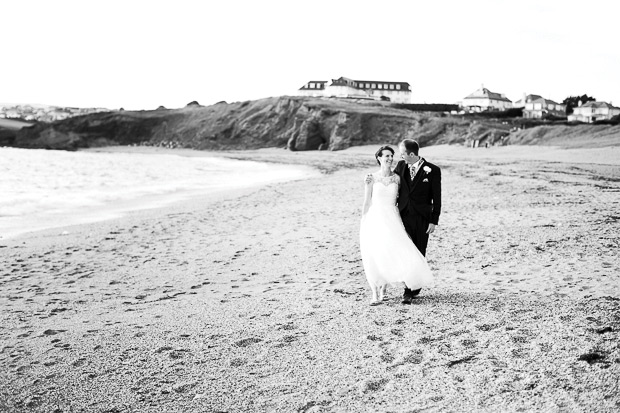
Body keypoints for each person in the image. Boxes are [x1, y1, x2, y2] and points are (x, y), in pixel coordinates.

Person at [360, 145, 433, 306]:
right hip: (375, 218)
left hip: (393, 218)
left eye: (391, 155)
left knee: (390, 252)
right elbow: (366, 202)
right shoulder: (371, 178)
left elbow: (406, 197)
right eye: (386, 156)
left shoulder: (398, 178)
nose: (389, 158)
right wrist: (363, 220)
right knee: (374, 253)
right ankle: (375, 293)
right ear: (379, 158)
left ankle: (384, 291)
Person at [393, 139, 442, 304]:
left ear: (411, 154)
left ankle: (415, 285)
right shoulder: (400, 166)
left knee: (420, 251)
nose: (401, 156)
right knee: (407, 251)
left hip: (422, 218)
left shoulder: (433, 170)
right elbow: (392, 183)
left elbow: (437, 198)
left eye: (402, 153)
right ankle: (408, 289)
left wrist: (433, 220)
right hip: (404, 215)